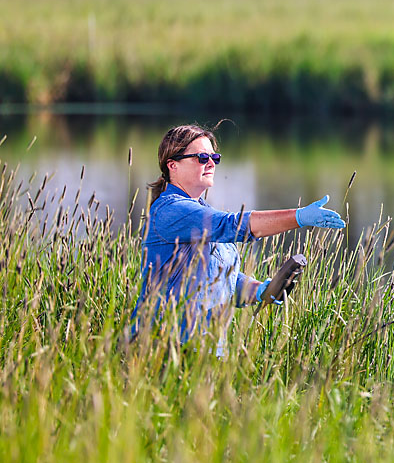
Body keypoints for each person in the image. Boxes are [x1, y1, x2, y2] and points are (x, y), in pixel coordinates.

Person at [133, 123, 346, 343]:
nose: (210, 164)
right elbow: (232, 225)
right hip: (163, 346)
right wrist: (298, 217)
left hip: (206, 351)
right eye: (201, 158)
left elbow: (221, 279)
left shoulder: (203, 211)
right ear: (172, 165)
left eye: (214, 158)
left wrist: (260, 290)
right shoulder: (170, 210)